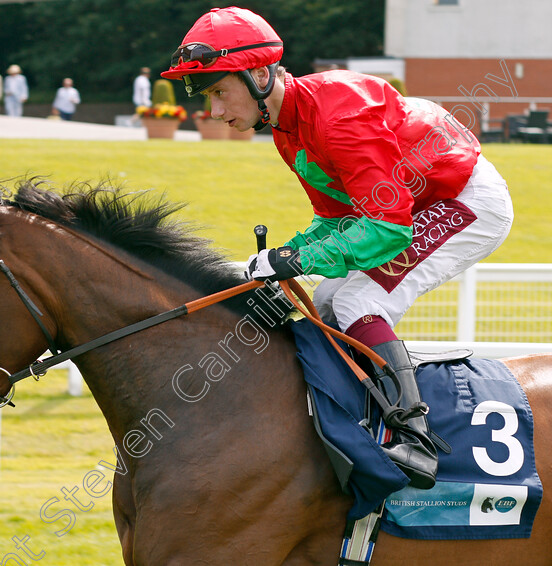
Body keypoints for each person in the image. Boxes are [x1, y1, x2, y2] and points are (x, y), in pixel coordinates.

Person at [162, 7, 514, 490]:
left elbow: (388, 230)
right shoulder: (287, 129)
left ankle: (415, 435)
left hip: (464, 200)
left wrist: (299, 261)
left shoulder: (339, 116)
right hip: (413, 204)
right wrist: (286, 255)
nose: (215, 111)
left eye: (219, 92)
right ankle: (354, 422)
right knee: (326, 302)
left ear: (260, 74)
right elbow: (336, 219)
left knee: (355, 300)